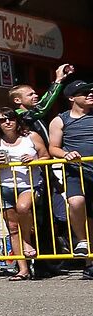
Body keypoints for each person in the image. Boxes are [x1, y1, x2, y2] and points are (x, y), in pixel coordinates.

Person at [0, 112, 48, 279]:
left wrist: (33, 159)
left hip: (28, 184)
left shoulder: (31, 136)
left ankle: (27, 241)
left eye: (11, 118)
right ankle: (23, 269)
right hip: (3, 186)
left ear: (17, 120)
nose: (7, 122)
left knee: (23, 208)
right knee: (12, 228)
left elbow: (46, 156)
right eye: (2, 120)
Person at [45, 79, 93, 278]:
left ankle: (90, 263)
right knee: (75, 202)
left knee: (91, 218)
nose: (90, 94)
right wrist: (65, 154)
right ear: (72, 98)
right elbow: (52, 147)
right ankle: (81, 241)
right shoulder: (60, 120)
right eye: (85, 92)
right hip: (76, 172)